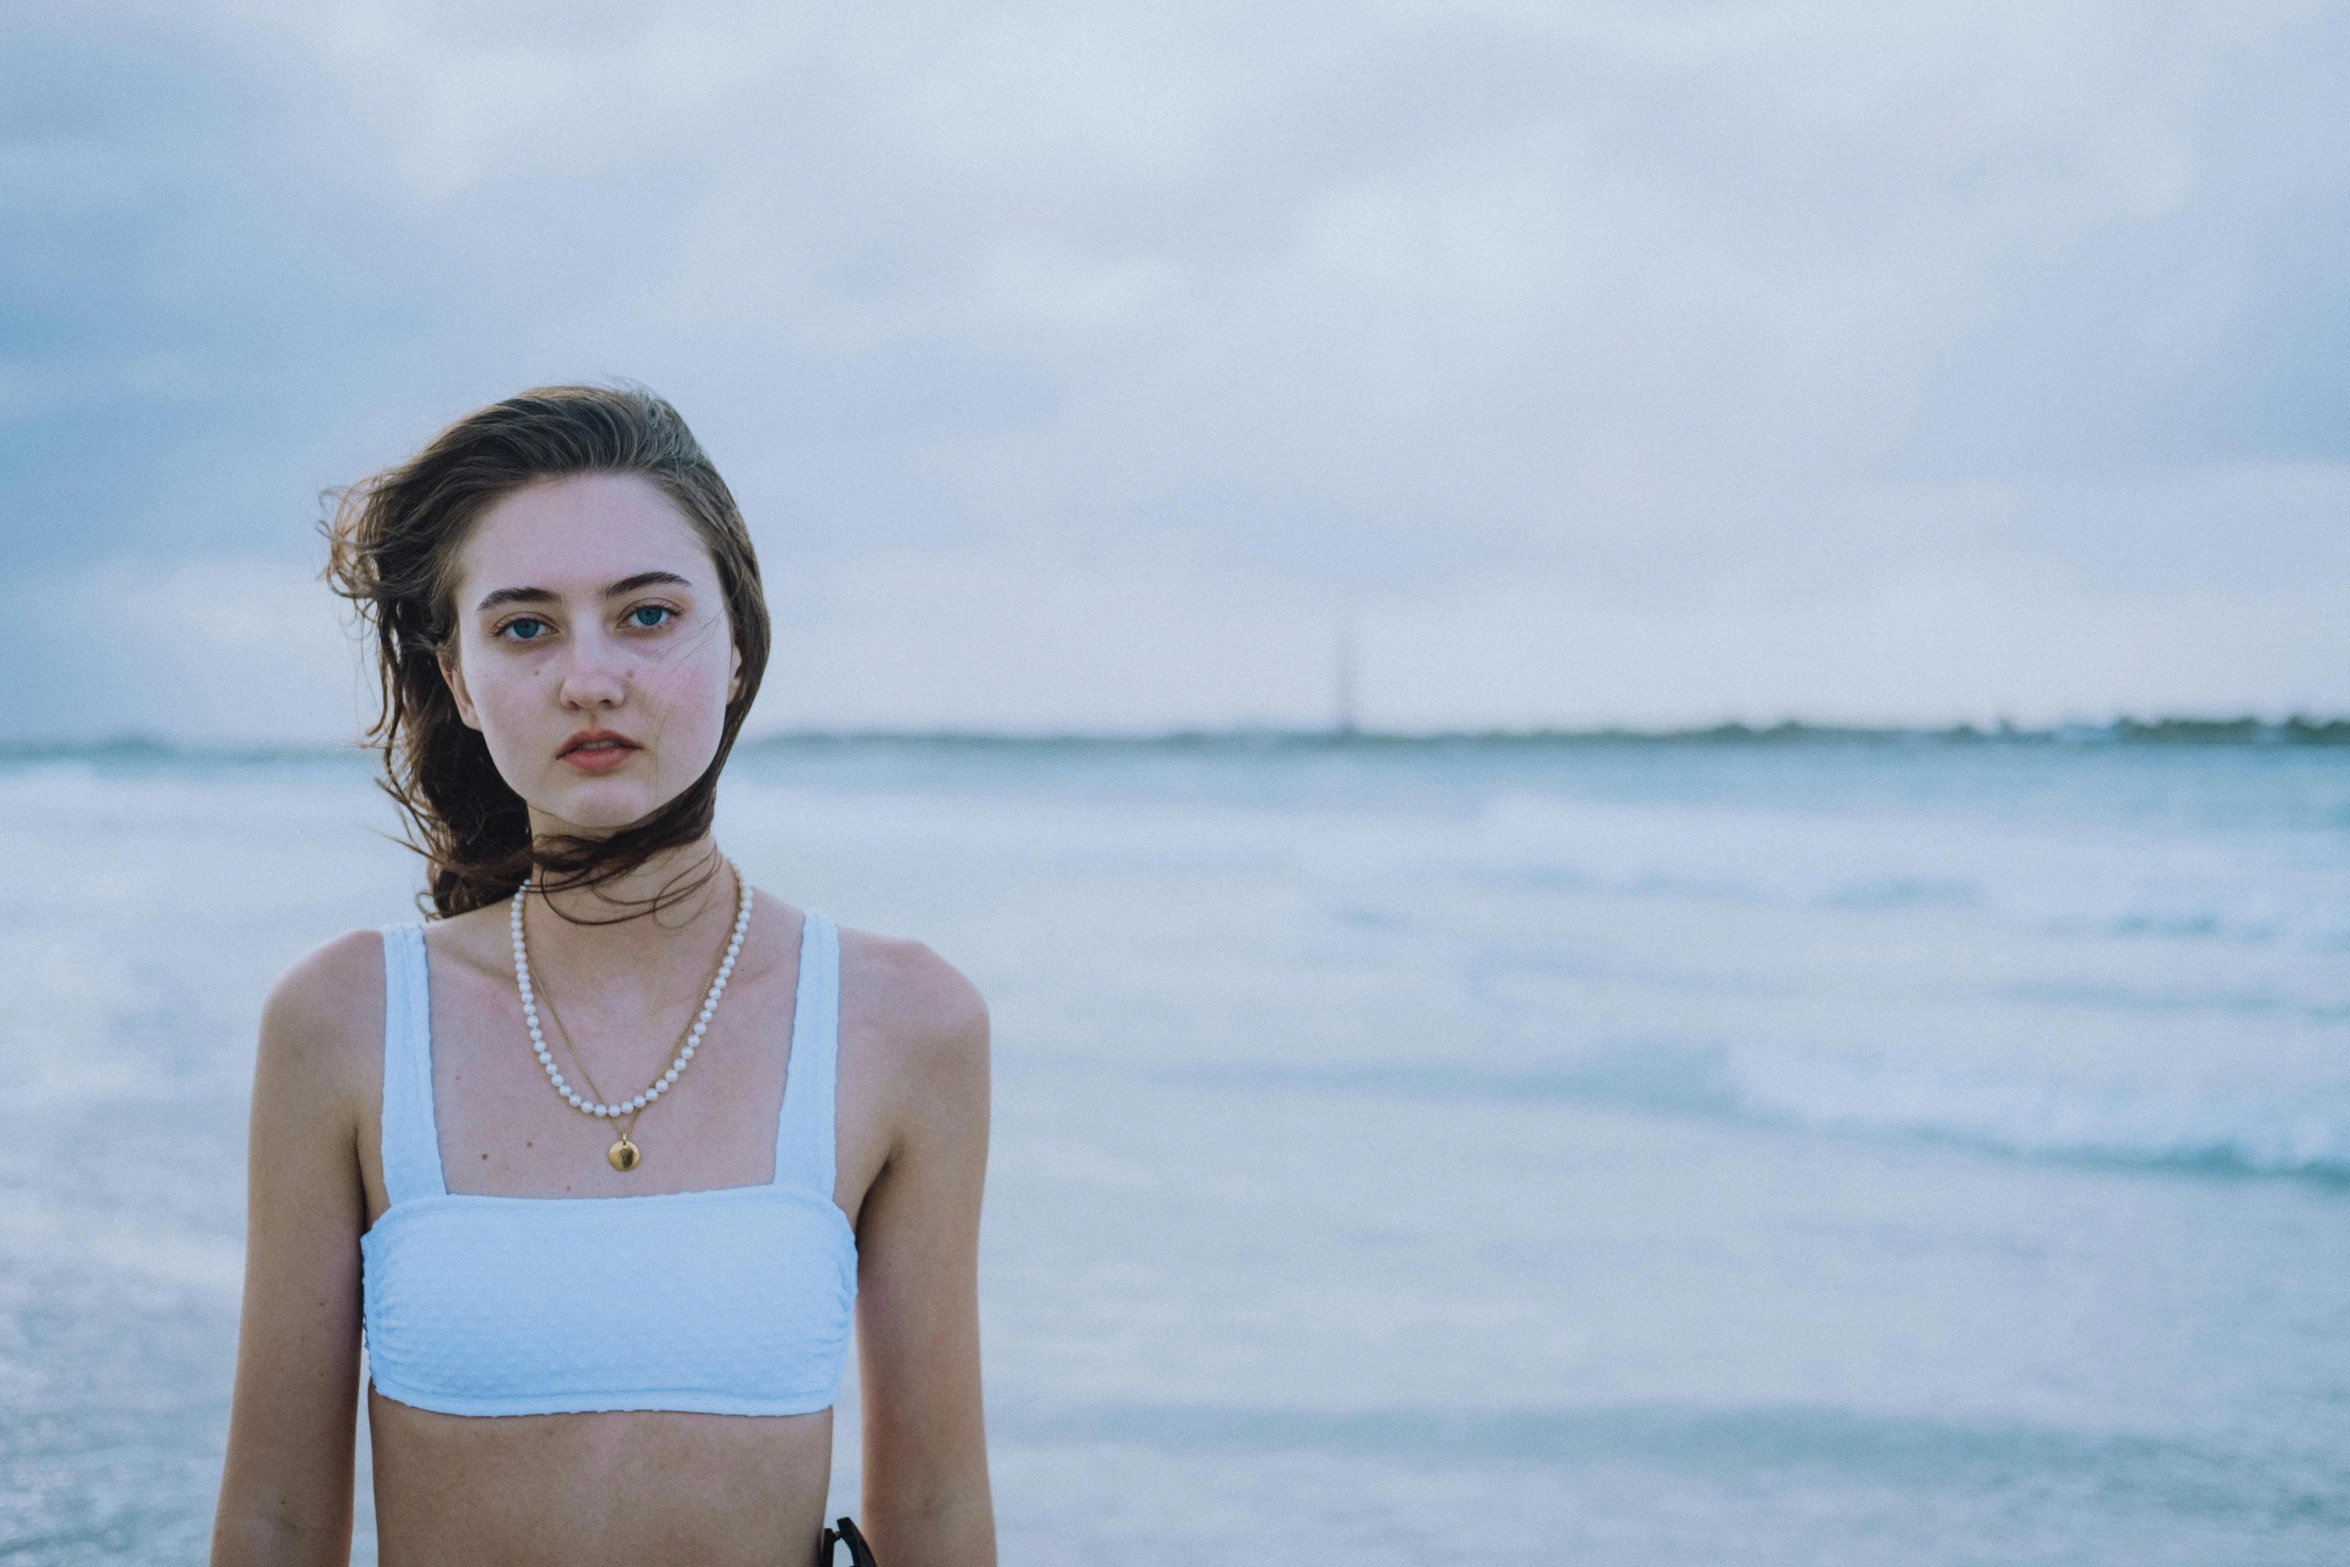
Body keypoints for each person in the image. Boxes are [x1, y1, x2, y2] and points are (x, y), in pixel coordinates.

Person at [209, 386, 995, 1566]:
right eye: (525, 626)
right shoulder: (347, 1021)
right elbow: (273, 1520)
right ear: (462, 681)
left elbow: (934, 1513)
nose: (590, 677)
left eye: (646, 615)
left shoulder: (903, 1022)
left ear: (737, 647)